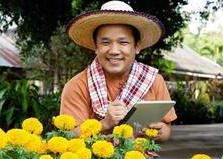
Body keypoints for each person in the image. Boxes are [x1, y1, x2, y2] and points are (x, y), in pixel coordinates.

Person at [60, 0, 177, 143]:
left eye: (123, 42)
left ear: (137, 46)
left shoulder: (153, 80)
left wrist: (156, 131)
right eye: (105, 42)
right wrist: (104, 124)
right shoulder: (77, 85)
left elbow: (165, 130)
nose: (114, 51)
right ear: (95, 47)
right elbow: (69, 137)